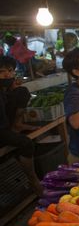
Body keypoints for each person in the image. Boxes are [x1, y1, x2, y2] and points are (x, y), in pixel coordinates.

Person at [0, 56, 43, 196]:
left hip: (5, 125)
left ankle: (17, 125)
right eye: (1, 71)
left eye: (10, 70)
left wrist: (11, 87)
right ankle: (33, 180)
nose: (7, 74)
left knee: (22, 91)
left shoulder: (6, 88)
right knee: (26, 143)